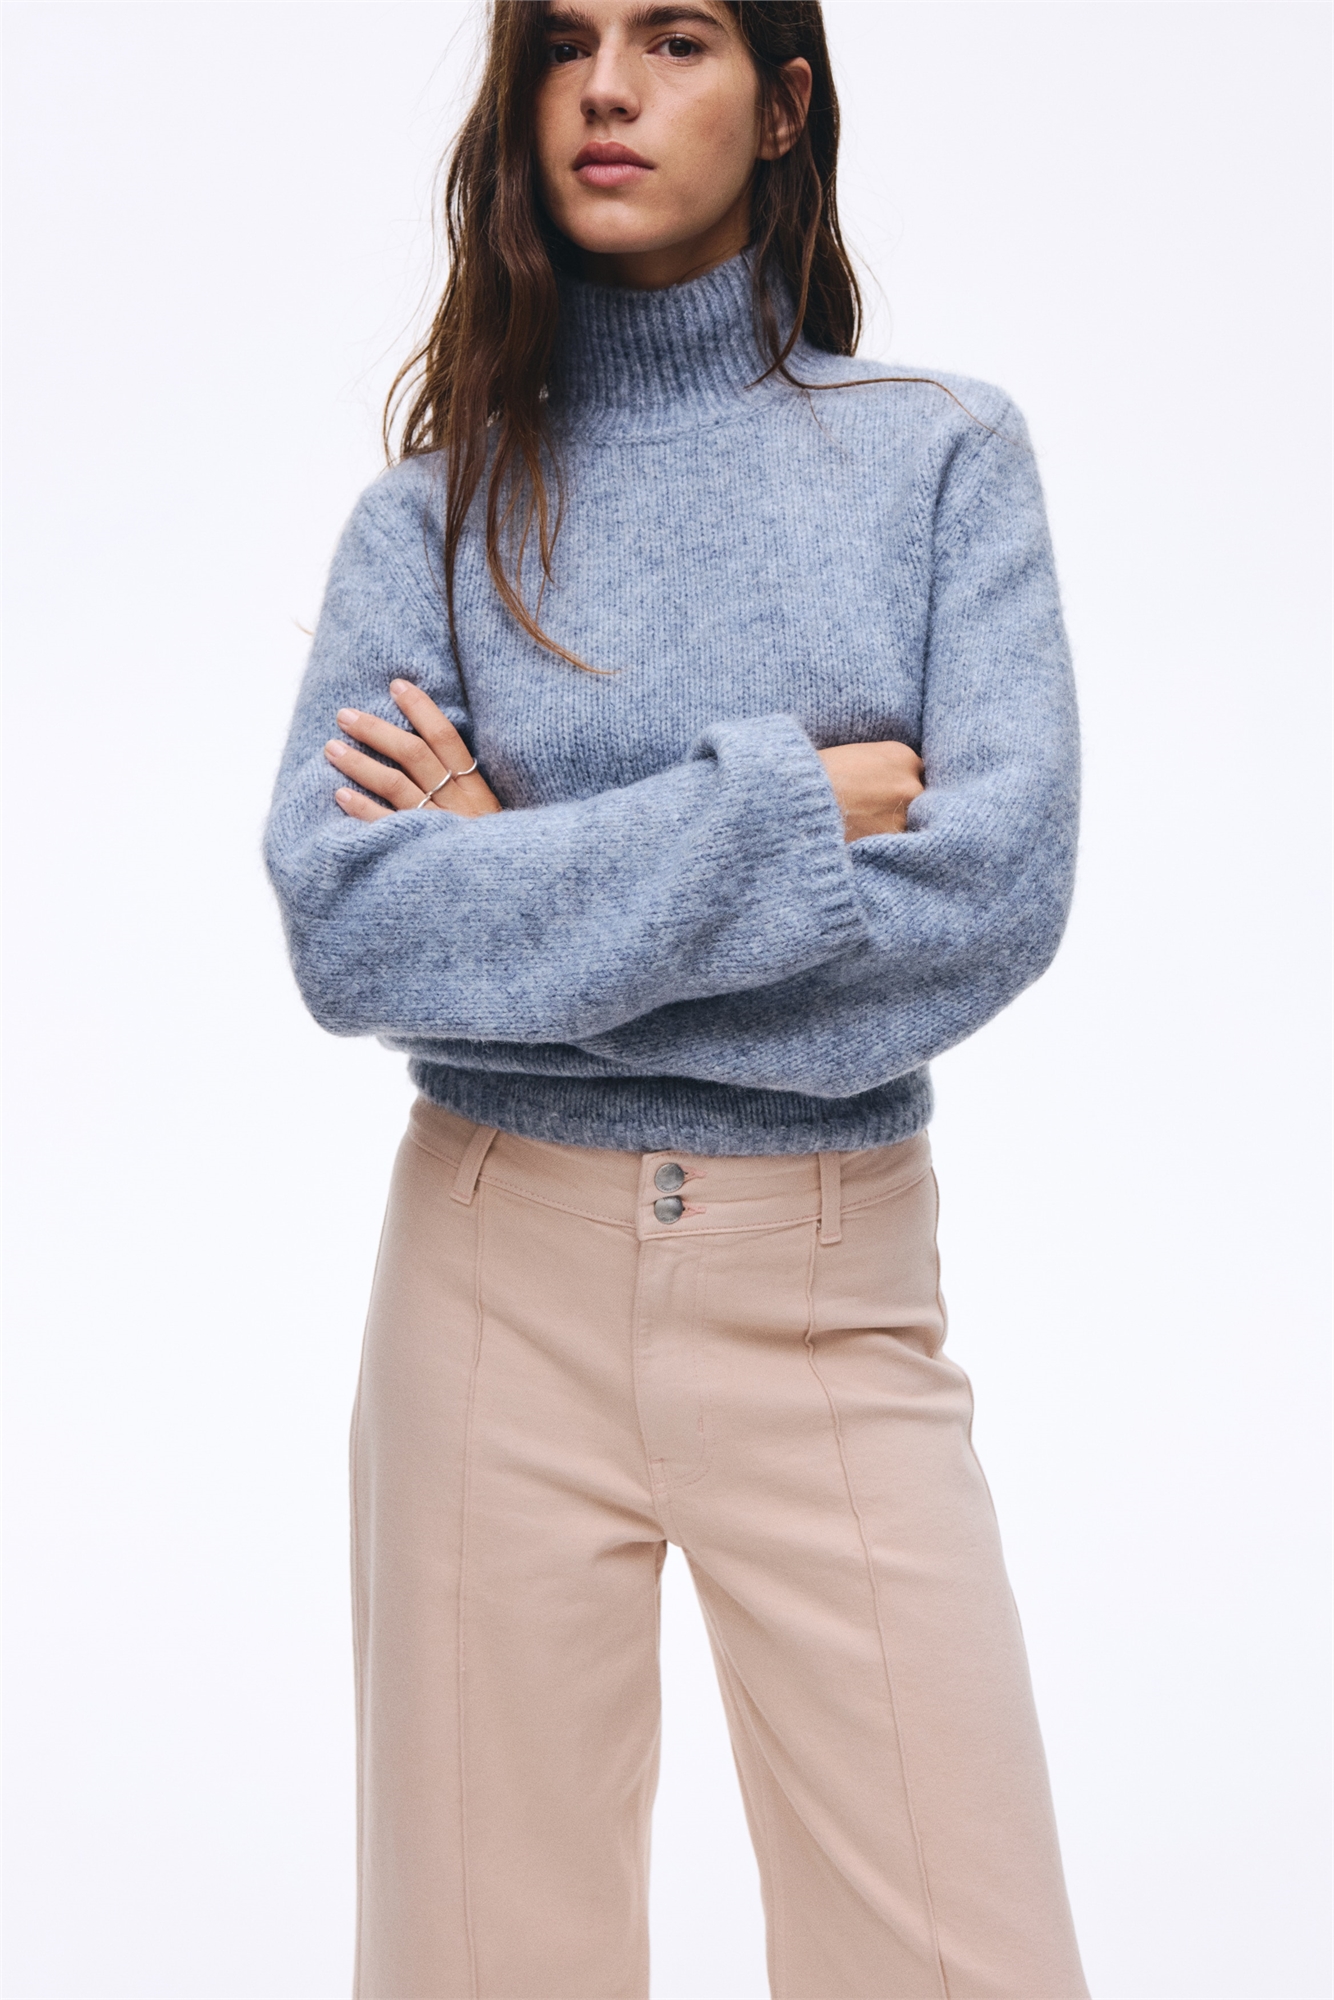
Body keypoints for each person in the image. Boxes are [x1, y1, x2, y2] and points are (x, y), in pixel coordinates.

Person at [265, 2, 1089, 1994]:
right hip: (487, 1293)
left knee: (959, 1951)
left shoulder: (939, 460)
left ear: (783, 103)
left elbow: (987, 902)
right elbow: (352, 932)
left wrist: (517, 872)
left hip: (827, 1293)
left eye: (677, 37)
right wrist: (780, 812)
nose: (609, 89)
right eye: (564, 44)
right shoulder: (429, 519)